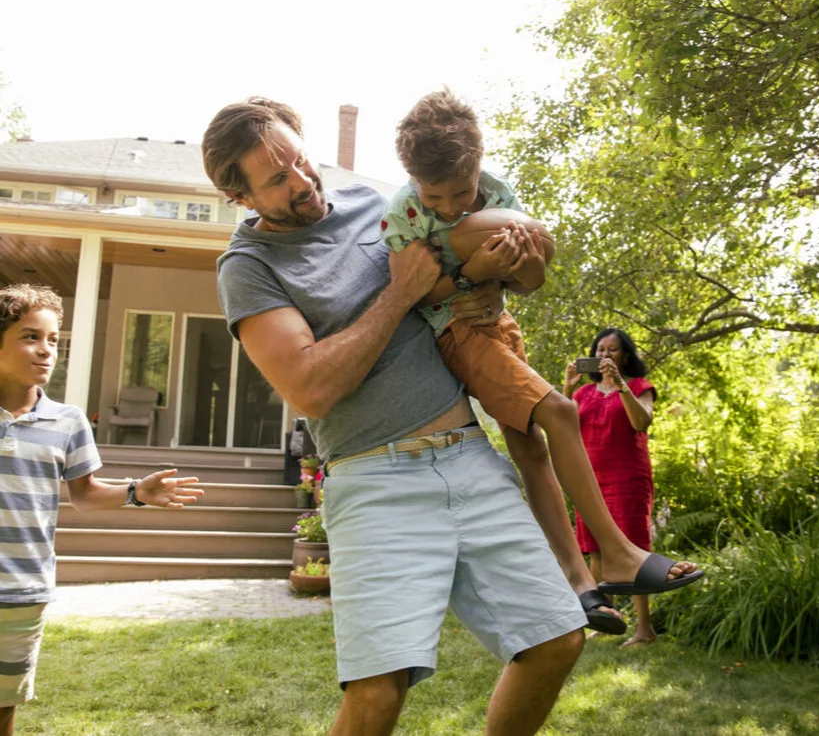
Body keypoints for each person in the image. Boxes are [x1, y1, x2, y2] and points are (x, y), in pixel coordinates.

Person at [204, 96, 590, 736]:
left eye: (300, 162)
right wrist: (400, 292)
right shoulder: (249, 269)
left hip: (467, 455)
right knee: (378, 696)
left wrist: (496, 278)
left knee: (556, 640)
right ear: (240, 196)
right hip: (373, 479)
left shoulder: (380, 206)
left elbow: (474, 264)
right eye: (276, 180)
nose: (302, 183)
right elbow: (310, 388)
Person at [383, 89, 703, 636]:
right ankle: (619, 552)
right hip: (454, 331)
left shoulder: (500, 194)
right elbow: (406, 294)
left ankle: (581, 585)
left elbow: (529, 283)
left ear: (479, 164)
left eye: (459, 193)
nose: (445, 206)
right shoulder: (405, 212)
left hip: (502, 325)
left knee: (531, 448)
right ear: (414, 180)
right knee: (560, 411)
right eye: (432, 195)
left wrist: (511, 269)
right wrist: (471, 272)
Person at [0, 283, 204, 736]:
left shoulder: (67, 421)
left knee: (2, 710)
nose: (46, 350)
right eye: (30, 336)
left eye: (53, 339)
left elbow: (86, 494)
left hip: (20, 591)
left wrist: (135, 492)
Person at [564, 327, 663, 647]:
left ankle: (644, 629)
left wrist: (620, 386)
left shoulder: (639, 387)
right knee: (595, 549)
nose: (605, 355)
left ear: (626, 356)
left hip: (628, 478)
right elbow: (563, 429)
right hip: (589, 478)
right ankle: (606, 620)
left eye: (613, 350)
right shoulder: (582, 394)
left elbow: (641, 422)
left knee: (632, 548)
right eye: (600, 350)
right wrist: (566, 388)